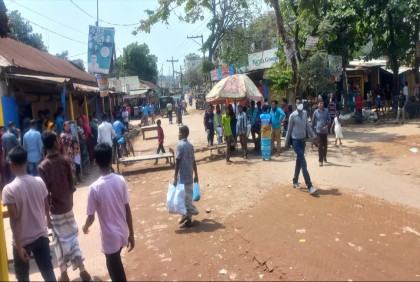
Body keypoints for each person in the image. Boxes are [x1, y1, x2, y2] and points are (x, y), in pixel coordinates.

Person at [39, 132, 91, 282]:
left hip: (55, 209)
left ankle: (64, 273)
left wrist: (46, 216)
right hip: (68, 207)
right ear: (56, 143)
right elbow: (71, 185)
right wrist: (71, 202)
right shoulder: (65, 161)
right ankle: (81, 267)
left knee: (59, 242)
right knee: (73, 239)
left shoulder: (42, 166)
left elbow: (44, 194)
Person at [1, 146, 56, 282]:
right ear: (26, 162)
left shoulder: (9, 190)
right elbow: (46, 207)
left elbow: (14, 220)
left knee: (23, 277)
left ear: (11, 165)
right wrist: (47, 220)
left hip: (22, 240)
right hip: (41, 235)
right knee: (48, 273)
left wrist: (19, 247)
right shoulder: (39, 181)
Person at [83, 142, 135, 282]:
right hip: (122, 232)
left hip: (109, 238)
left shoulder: (94, 188)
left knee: (115, 271)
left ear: (95, 161)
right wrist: (132, 234)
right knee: (114, 265)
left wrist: (85, 226)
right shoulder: (120, 180)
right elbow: (127, 209)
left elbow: (91, 216)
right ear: (111, 158)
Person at [285, 98, 318, 195]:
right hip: (296, 142)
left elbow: (308, 126)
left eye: (301, 103)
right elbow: (289, 130)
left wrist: (314, 136)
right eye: (298, 103)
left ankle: (295, 181)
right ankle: (310, 185)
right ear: (295, 104)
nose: (300, 104)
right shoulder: (292, 116)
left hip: (303, 141)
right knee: (303, 162)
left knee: (299, 161)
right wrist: (286, 142)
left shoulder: (304, 113)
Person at [174, 126, 199, 227]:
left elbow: (177, 161)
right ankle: (187, 217)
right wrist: (196, 174)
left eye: (179, 132)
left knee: (183, 198)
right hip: (189, 175)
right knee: (187, 197)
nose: (178, 134)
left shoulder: (180, 145)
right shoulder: (190, 146)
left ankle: (193, 212)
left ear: (183, 134)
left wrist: (175, 177)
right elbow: (194, 161)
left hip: (183, 176)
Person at [312, 101, 330, 167]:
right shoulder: (315, 112)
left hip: (325, 131)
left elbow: (329, 120)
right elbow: (313, 121)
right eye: (319, 103)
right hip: (318, 131)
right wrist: (313, 128)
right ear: (317, 104)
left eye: (322, 103)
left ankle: (324, 157)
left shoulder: (326, 111)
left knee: (325, 146)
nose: (320, 104)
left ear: (323, 104)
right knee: (320, 146)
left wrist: (326, 126)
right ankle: (320, 161)